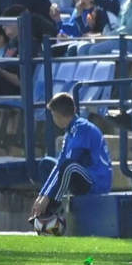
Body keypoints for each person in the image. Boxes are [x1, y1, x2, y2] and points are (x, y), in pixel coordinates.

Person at [28, 92, 111, 233]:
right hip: (81, 175)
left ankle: (53, 207)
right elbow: (59, 163)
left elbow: (69, 163)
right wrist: (43, 194)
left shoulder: (82, 128)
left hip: (96, 182)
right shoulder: (71, 131)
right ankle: (47, 208)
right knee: (47, 164)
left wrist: (49, 197)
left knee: (69, 166)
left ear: (57, 115)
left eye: (52, 114)